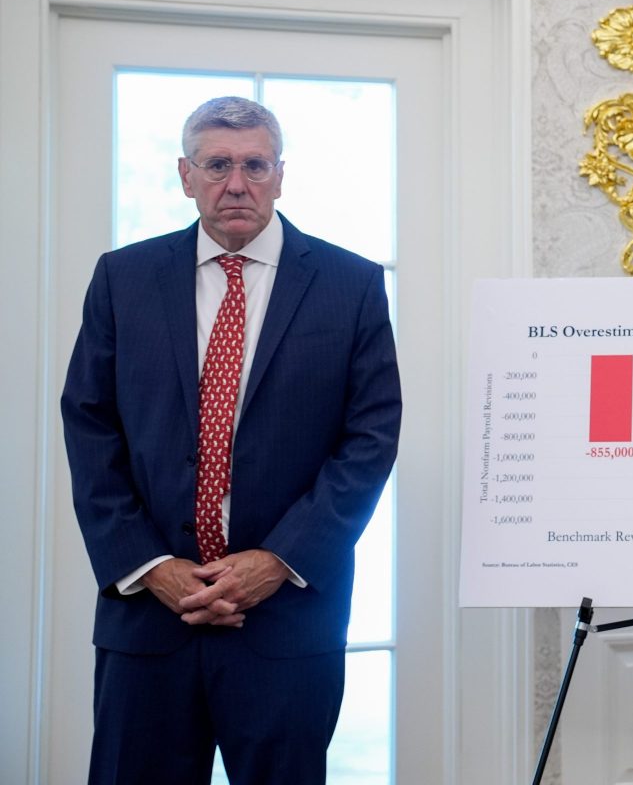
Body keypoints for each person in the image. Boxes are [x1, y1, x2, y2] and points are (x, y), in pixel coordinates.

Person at [61, 96, 402, 784]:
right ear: (186, 176)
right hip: (149, 617)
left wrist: (277, 560)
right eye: (217, 165)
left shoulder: (352, 285)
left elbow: (370, 438)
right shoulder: (123, 279)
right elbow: (90, 425)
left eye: (255, 165)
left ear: (281, 175)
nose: (237, 183)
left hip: (288, 620)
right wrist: (150, 566)